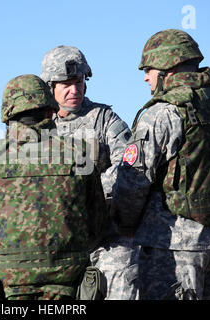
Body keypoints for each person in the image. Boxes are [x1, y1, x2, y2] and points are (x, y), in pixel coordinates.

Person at [112, 29, 210, 300]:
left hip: (175, 250)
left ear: (167, 69)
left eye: (149, 69)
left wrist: (124, 226)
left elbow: (131, 182)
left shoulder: (162, 112)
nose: (145, 76)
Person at [0, 74, 109, 300]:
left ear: (8, 115)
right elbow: (97, 220)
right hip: (66, 280)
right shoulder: (79, 154)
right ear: (50, 111)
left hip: (9, 281)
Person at [40, 45, 138, 299]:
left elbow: (128, 165)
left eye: (79, 81)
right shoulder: (38, 128)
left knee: (125, 277)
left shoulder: (104, 119)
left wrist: (90, 192)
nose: (75, 90)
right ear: (50, 86)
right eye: (66, 84)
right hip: (57, 241)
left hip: (106, 237)